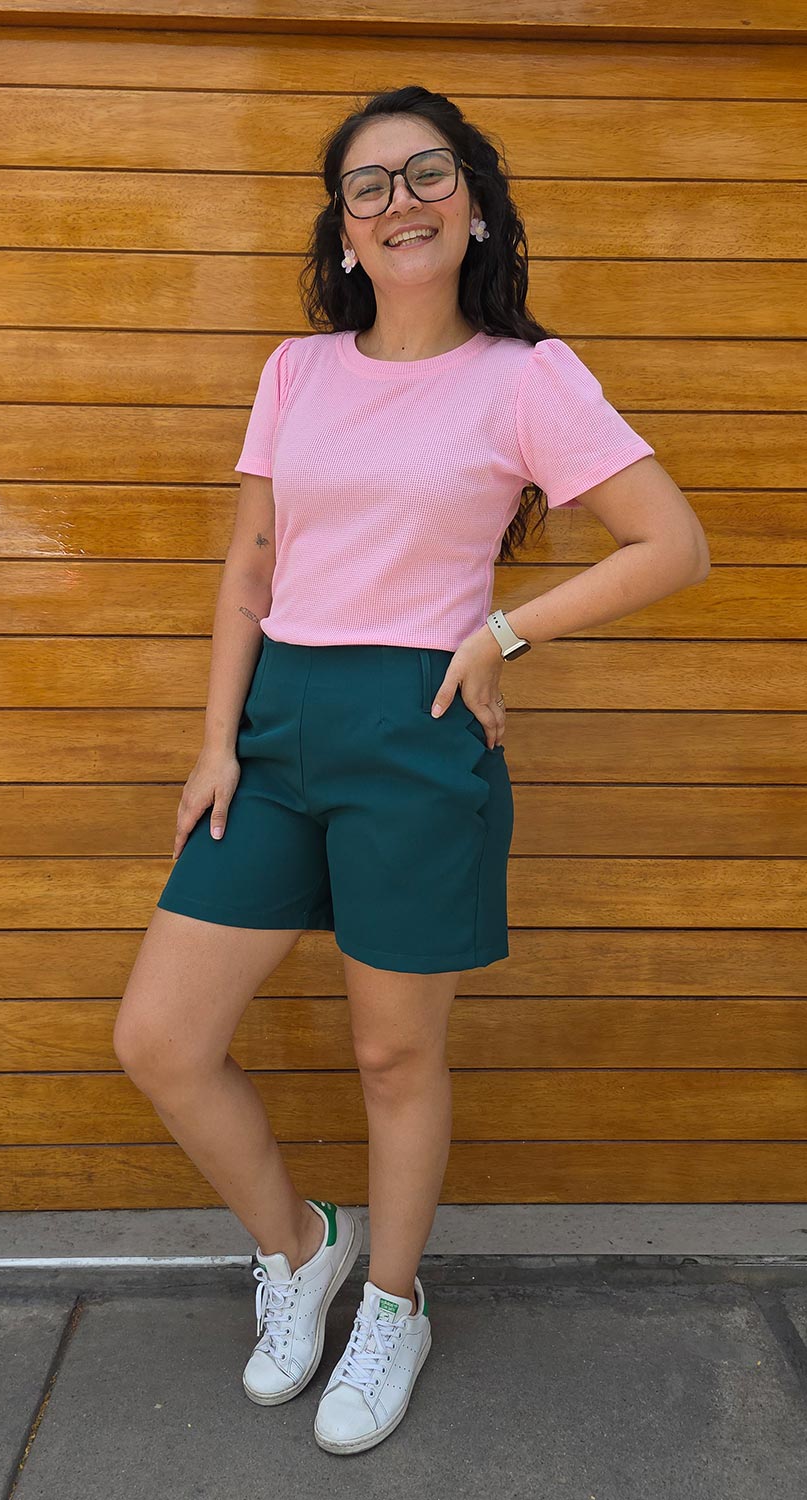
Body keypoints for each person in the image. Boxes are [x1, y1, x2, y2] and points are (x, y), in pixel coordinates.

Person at [112, 85, 709, 1456]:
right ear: (344, 229)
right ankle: (299, 1246)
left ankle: (391, 1301)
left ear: (476, 203)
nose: (399, 202)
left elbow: (670, 544)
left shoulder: (526, 379)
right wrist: (215, 739)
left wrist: (502, 634)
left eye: (427, 173)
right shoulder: (297, 371)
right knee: (160, 1038)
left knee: (394, 1052)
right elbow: (253, 565)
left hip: (417, 722)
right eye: (368, 185)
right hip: (277, 724)